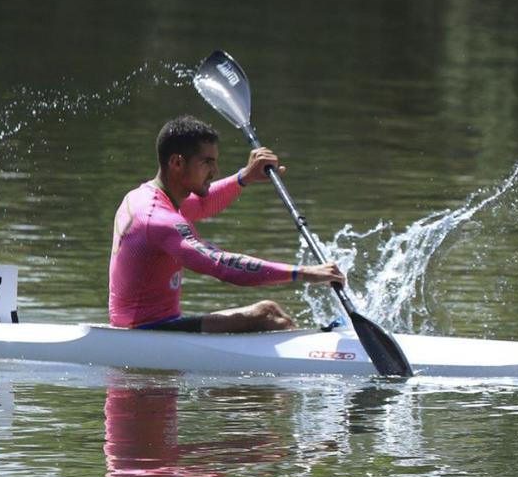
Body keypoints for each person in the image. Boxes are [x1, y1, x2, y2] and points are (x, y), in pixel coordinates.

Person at [108, 115, 345, 333]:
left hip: (147, 326)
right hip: (146, 331)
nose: (215, 171)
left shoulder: (144, 198)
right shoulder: (158, 219)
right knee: (268, 316)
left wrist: (245, 177)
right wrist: (302, 272)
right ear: (177, 162)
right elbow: (221, 265)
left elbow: (201, 205)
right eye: (207, 162)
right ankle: (312, 359)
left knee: (270, 311)